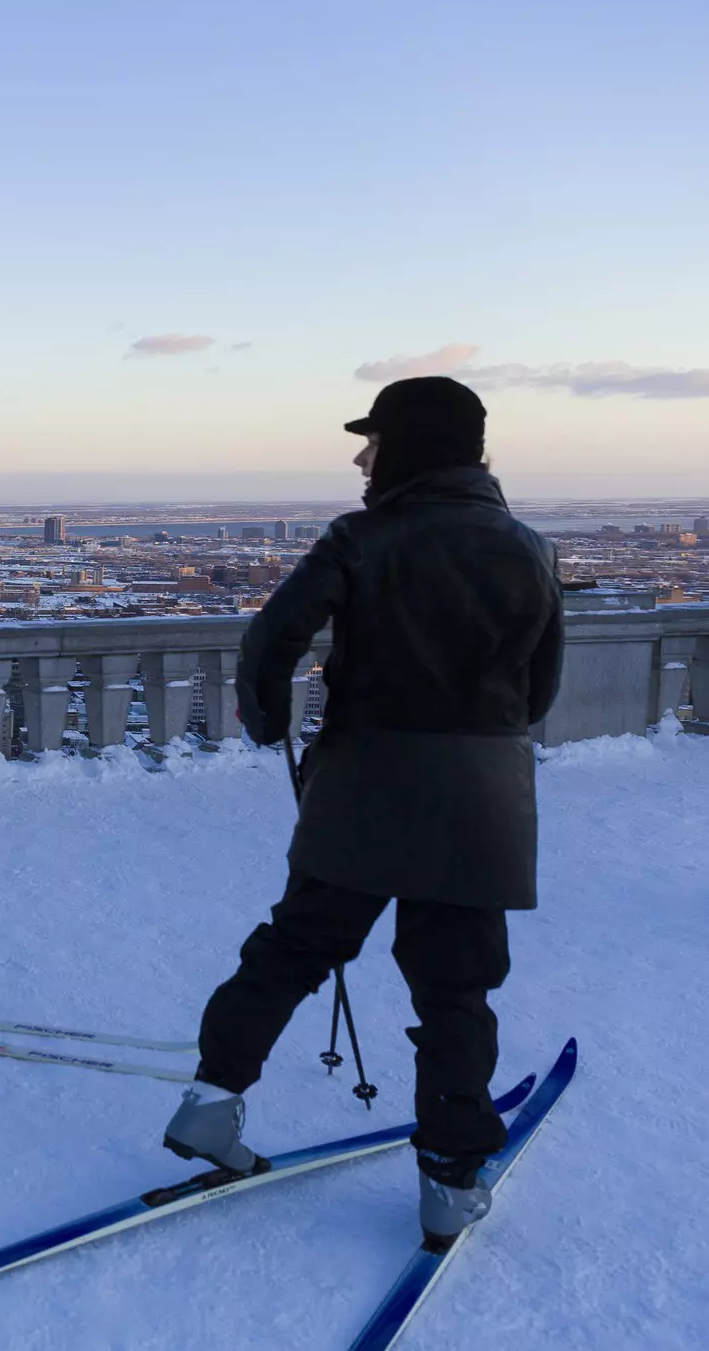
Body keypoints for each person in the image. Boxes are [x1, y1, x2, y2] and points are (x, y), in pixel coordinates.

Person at [162, 376, 564, 1243]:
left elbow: (270, 640)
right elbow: (543, 690)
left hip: (363, 789)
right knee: (456, 990)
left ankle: (211, 1098)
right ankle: (451, 1181)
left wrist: (270, 719)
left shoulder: (362, 537)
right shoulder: (531, 549)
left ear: (412, 447)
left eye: (373, 441)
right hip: (479, 805)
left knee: (293, 947)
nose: (359, 456)